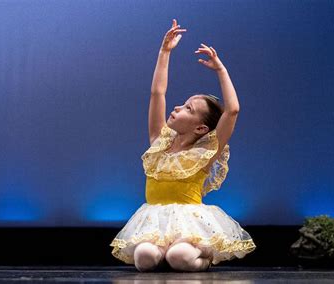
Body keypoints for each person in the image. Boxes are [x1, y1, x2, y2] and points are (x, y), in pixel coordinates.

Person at [110, 19, 256, 272]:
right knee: (144, 258)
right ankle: (164, 252)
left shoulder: (205, 153)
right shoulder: (159, 141)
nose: (177, 108)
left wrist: (220, 70)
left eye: (188, 108)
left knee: (180, 257)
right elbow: (158, 93)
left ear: (200, 128)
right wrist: (164, 52)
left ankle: (204, 255)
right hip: (155, 220)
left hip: (190, 222)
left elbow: (232, 111)